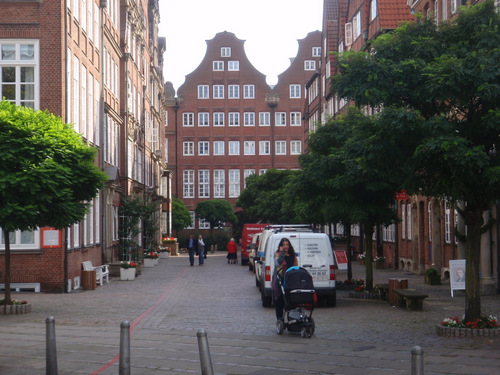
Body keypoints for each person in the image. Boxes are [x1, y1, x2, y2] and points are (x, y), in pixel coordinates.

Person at [272, 238, 298, 321]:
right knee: (279, 300)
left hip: (290, 281)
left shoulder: (293, 256)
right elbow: (278, 263)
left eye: (287, 244)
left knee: (291, 300)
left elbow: (296, 267)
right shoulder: (278, 254)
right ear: (281, 246)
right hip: (280, 280)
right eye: (283, 245)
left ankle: (292, 319)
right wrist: (282, 253)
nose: (286, 246)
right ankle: (280, 319)